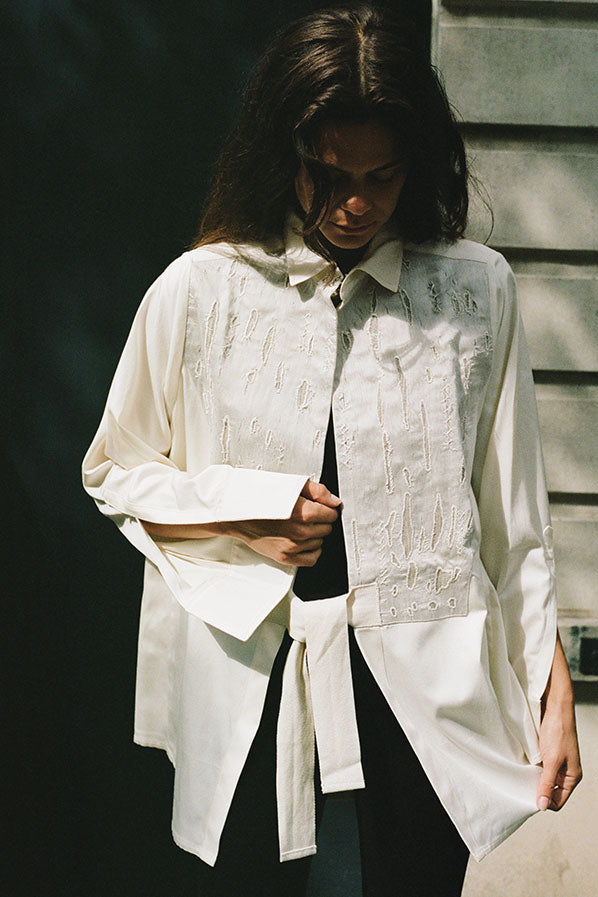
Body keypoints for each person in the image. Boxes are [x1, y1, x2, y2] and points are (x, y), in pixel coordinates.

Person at [82, 4, 582, 896]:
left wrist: (553, 696)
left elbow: (515, 523)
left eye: (382, 177)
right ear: (285, 156)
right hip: (255, 675)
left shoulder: (476, 291)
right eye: (328, 174)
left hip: (425, 689)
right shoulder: (202, 289)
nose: (355, 204)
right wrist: (247, 516)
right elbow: (115, 469)